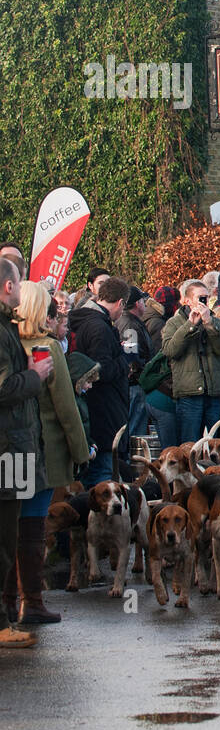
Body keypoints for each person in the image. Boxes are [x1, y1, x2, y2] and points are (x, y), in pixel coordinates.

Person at [11, 282, 88, 625]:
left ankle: (10, 600)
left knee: (10, 528)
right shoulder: (47, 347)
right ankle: (33, 600)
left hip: (13, 450)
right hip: (45, 449)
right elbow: (66, 408)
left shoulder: (10, 344)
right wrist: (80, 450)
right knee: (32, 528)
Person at [0, 258, 53, 647]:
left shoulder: (7, 327)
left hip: (15, 444)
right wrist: (35, 377)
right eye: (18, 283)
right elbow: (4, 388)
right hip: (10, 449)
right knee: (6, 535)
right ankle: (3, 623)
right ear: (7, 287)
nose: (20, 291)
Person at [68, 276, 130, 487]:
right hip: (103, 414)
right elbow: (99, 370)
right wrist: (123, 360)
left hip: (99, 413)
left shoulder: (92, 323)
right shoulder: (98, 327)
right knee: (101, 481)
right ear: (120, 302)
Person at [162, 278, 220, 445]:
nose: (205, 301)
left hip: (212, 391)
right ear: (187, 301)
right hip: (189, 393)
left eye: (207, 297)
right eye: (201, 298)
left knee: (211, 443)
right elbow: (170, 351)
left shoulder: (215, 321)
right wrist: (190, 326)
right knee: (189, 444)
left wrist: (209, 325)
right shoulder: (174, 322)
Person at [115, 286, 152, 440]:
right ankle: (133, 462)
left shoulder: (130, 322)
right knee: (135, 431)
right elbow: (131, 358)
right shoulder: (129, 324)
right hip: (135, 385)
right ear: (137, 303)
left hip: (135, 384)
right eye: (143, 300)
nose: (145, 304)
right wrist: (143, 369)